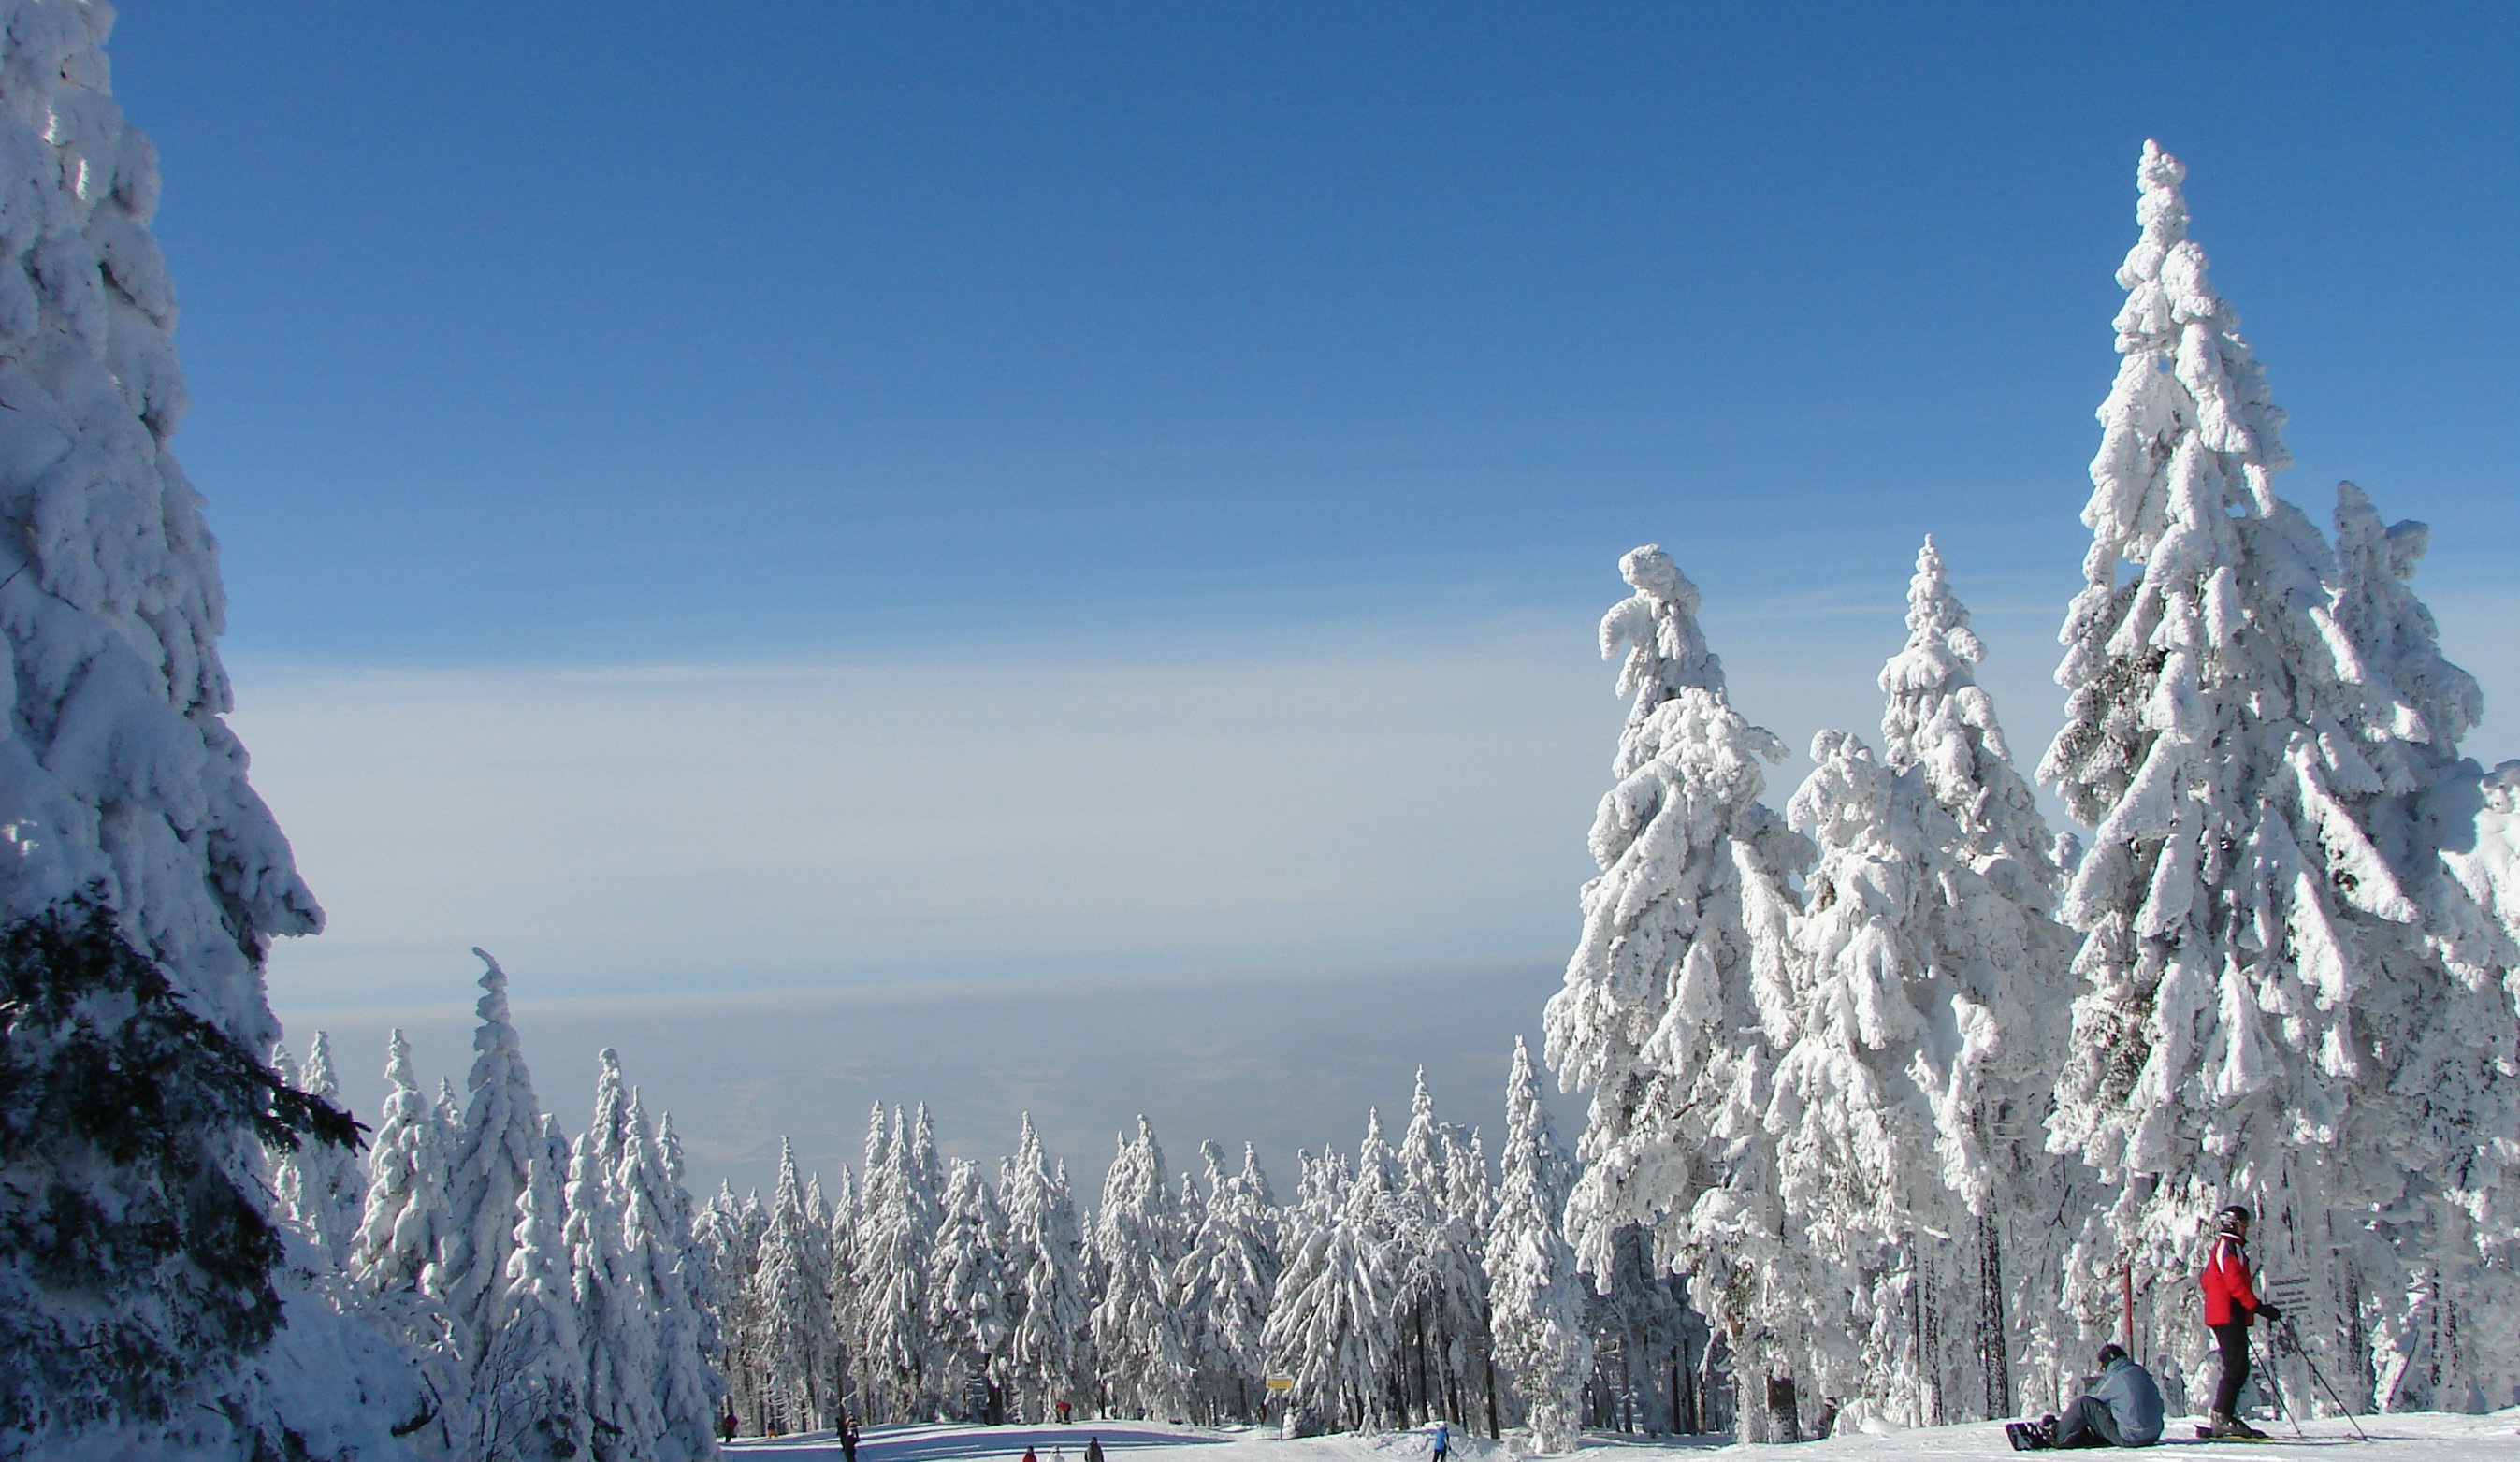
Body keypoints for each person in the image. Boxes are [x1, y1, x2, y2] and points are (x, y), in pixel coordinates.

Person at [2200, 1205, 2281, 1440]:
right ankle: (2221, 1417)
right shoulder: (2228, 1248)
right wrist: (2257, 1307)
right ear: (2232, 1224)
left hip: (2228, 1313)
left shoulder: (2229, 1248)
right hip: (2227, 1314)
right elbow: (2234, 1282)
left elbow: (2208, 1280)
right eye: (2243, 1224)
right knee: (2236, 1366)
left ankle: (2223, 1416)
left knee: (2237, 1366)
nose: (2246, 1229)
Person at [2007, 1345, 2165, 1449]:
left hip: (2131, 1437)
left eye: (2103, 1366)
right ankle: (2091, 1433)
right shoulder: (2140, 1372)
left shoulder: (2116, 1377)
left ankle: (2056, 1435)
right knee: (2115, 1405)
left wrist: (2066, 1420)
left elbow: (2091, 1398)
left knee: (2085, 1404)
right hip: (2153, 1434)